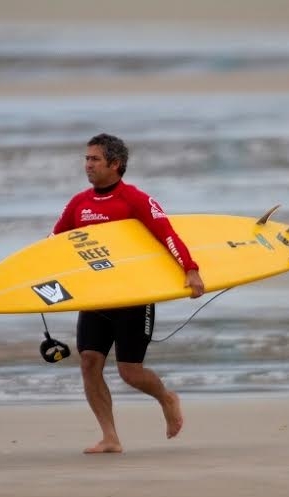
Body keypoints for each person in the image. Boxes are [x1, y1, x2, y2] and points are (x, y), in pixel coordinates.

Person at [52, 133, 205, 454]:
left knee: (129, 371)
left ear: (115, 164)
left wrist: (190, 270)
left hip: (134, 295)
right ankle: (110, 437)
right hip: (96, 296)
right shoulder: (79, 203)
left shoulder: (135, 200)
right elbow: (54, 243)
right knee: (89, 362)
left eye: (94, 159)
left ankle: (166, 398)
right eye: (86, 159)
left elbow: (168, 235)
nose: (88, 165)